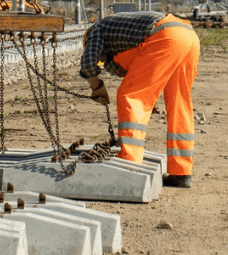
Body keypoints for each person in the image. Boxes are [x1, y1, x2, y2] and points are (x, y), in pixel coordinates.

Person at [80, 11, 200, 188]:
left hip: (165, 36)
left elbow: (88, 63)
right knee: (179, 103)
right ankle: (181, 172)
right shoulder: (122, 38)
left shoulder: (95, 31)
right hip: (189, 37)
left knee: (129, 97)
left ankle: (129, 165)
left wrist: (97, 87)